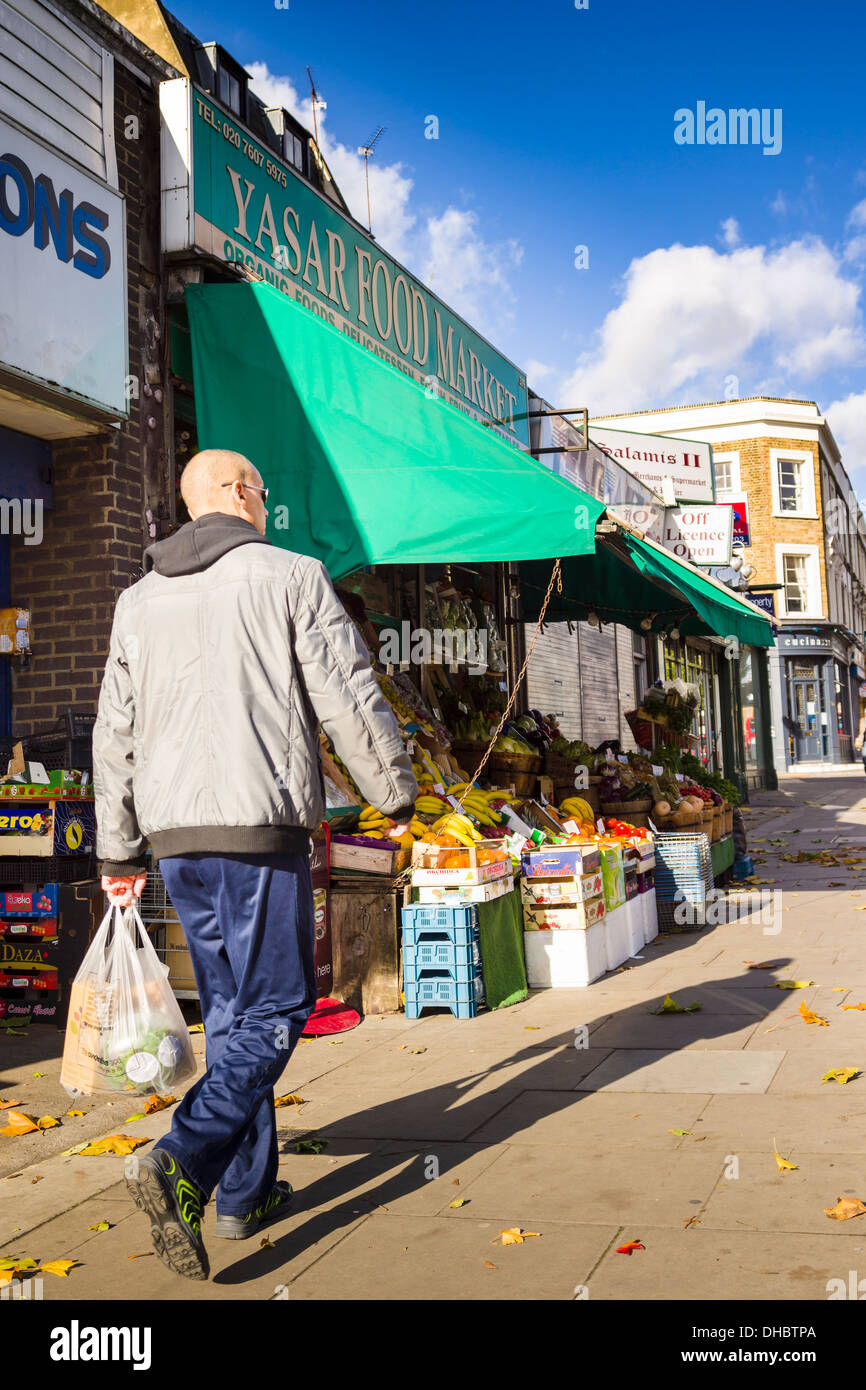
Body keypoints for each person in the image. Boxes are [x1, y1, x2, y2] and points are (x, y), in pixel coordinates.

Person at [93, 449, 417, 1280]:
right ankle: (184, 1160)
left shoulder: (137, 601)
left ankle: (244, 1193)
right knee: (277, 1006)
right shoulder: (291, 576)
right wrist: (394, 790)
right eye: (262, 493)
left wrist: (118, 847)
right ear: (237, 495)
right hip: (260, 826)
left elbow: (114, 731)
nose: (266, 506)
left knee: (233, 1011)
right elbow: (346, 690)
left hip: (176, 840)